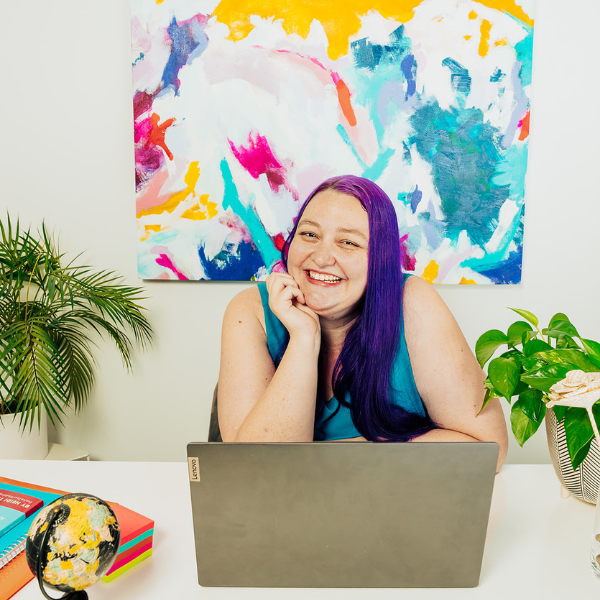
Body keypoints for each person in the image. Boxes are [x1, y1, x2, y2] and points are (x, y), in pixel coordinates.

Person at [218, 175, 508, 470]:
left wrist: (331, 457)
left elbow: (488, 450)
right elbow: (253, 469)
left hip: (393, 502)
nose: (320, 258)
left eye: (348, 242)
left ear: (379, 259)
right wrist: (304, 338)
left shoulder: (414, 302)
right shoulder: (250, 311)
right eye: (309, 235)